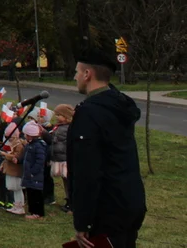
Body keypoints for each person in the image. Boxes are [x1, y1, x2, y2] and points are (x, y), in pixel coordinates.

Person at [67, 48, 146, 248]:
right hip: (130, 201)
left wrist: (82, 220)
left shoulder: (90, 113)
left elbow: (87, 170)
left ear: (87, 74)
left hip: (107, 209)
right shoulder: (118, 105)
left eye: (77, 72)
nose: (74, 77)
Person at [49, 104, 73, 213]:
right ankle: (68, 199)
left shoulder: (68, 128)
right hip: (59, 157)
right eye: (56, 114)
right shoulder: (57, 127)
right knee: (65, 180)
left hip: (66, 159)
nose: (57, 117)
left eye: (60, 115)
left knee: (69, 180)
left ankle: (72, 202)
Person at [21, 121, 47, 219]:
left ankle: (37, 212)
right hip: (29, 174)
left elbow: (40, 161)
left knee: (36, 194)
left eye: (26, 135)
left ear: (31, 136)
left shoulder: (39, 146)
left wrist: (33, 172)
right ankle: (32, 211)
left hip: (34, 174)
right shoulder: (29, 145)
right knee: (30, 192)